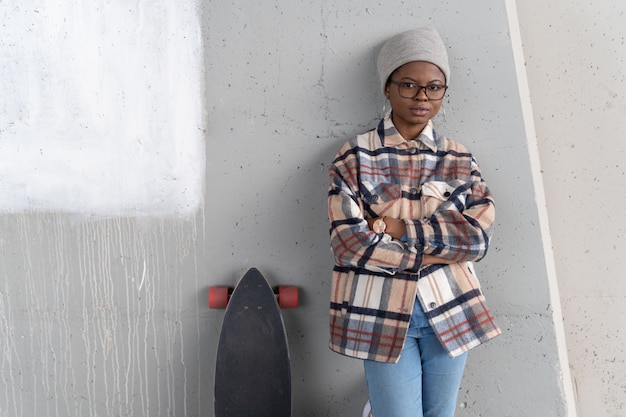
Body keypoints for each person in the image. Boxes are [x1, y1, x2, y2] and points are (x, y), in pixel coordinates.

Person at [327, 27, 501, 417]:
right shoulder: (354, 157)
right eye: (409, 85)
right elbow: (349, 245)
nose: (422, 97)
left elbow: (476, 240)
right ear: (387, 88)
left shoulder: (458, 158)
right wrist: (440, 251)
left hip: (452, 307)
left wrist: (399, 229)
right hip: (379, 313)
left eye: (434, 87)